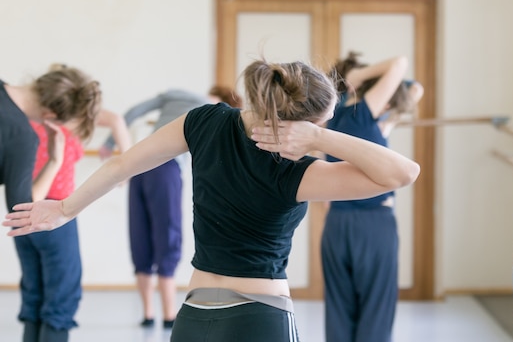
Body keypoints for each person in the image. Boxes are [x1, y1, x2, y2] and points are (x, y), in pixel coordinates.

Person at [3, 59, 420, 342]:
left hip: (194, 317)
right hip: (261, 318)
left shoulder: (202, 121)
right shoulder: (297, 174)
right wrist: (320, 139)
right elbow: (402, 173)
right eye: (319, 124)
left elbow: (123, 164)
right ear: (299, 125)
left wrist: (63, 209)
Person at [99, 86, 239, 329]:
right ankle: (168, 315)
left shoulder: (176, 94)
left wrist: (110, 141)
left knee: (139, 237)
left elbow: (132, 112)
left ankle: (148, 314)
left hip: (139, 165)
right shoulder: (220, 112)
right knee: (168, 237)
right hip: (166, 170)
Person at [321, 52, 424, 342]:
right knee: (376, 306)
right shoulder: (366, 113)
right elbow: (407, 75)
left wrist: (357, 80)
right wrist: (361, 77)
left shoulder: (333, 118)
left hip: (336, 225)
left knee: (339, 307)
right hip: (373, 224)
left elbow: (414, 91)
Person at [0, 65, 101, 342]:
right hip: (50, 214)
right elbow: (25, 208)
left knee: (34, 293)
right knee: (61, 297)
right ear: (52, 116)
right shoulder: (23, 135)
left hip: (28, 226)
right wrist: (55, 160)